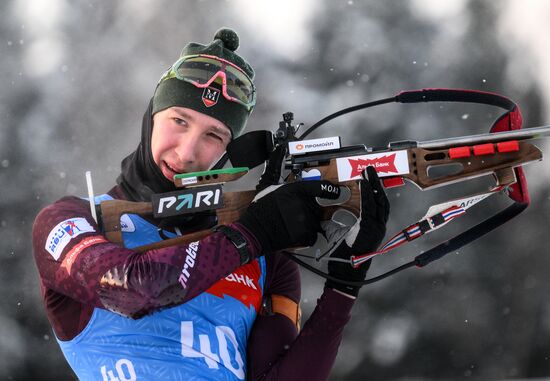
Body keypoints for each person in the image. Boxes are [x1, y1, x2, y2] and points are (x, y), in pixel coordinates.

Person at [32, 28, 390, 381]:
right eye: (179, 121)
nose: (187, 152)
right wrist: (250, 235)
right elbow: (134, 290)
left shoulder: (265, 258)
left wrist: (344, 285)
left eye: (213, 136)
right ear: (150, 118)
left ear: (229, 152)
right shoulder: (74, 220)